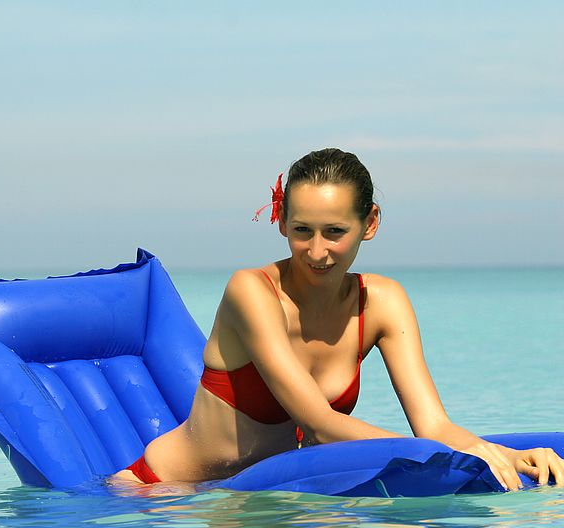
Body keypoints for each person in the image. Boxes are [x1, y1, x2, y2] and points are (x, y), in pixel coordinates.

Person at [113, 147, 564, 491]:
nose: (316, 251)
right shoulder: (252, 292)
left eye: (335, 232)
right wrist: (448, 458)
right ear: (281, 222)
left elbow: (434, 427)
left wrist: (509, 454)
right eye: (301, 230)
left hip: (258, 495)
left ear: (369, 224)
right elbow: (319, 424)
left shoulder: (383, 302)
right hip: (160, 496)